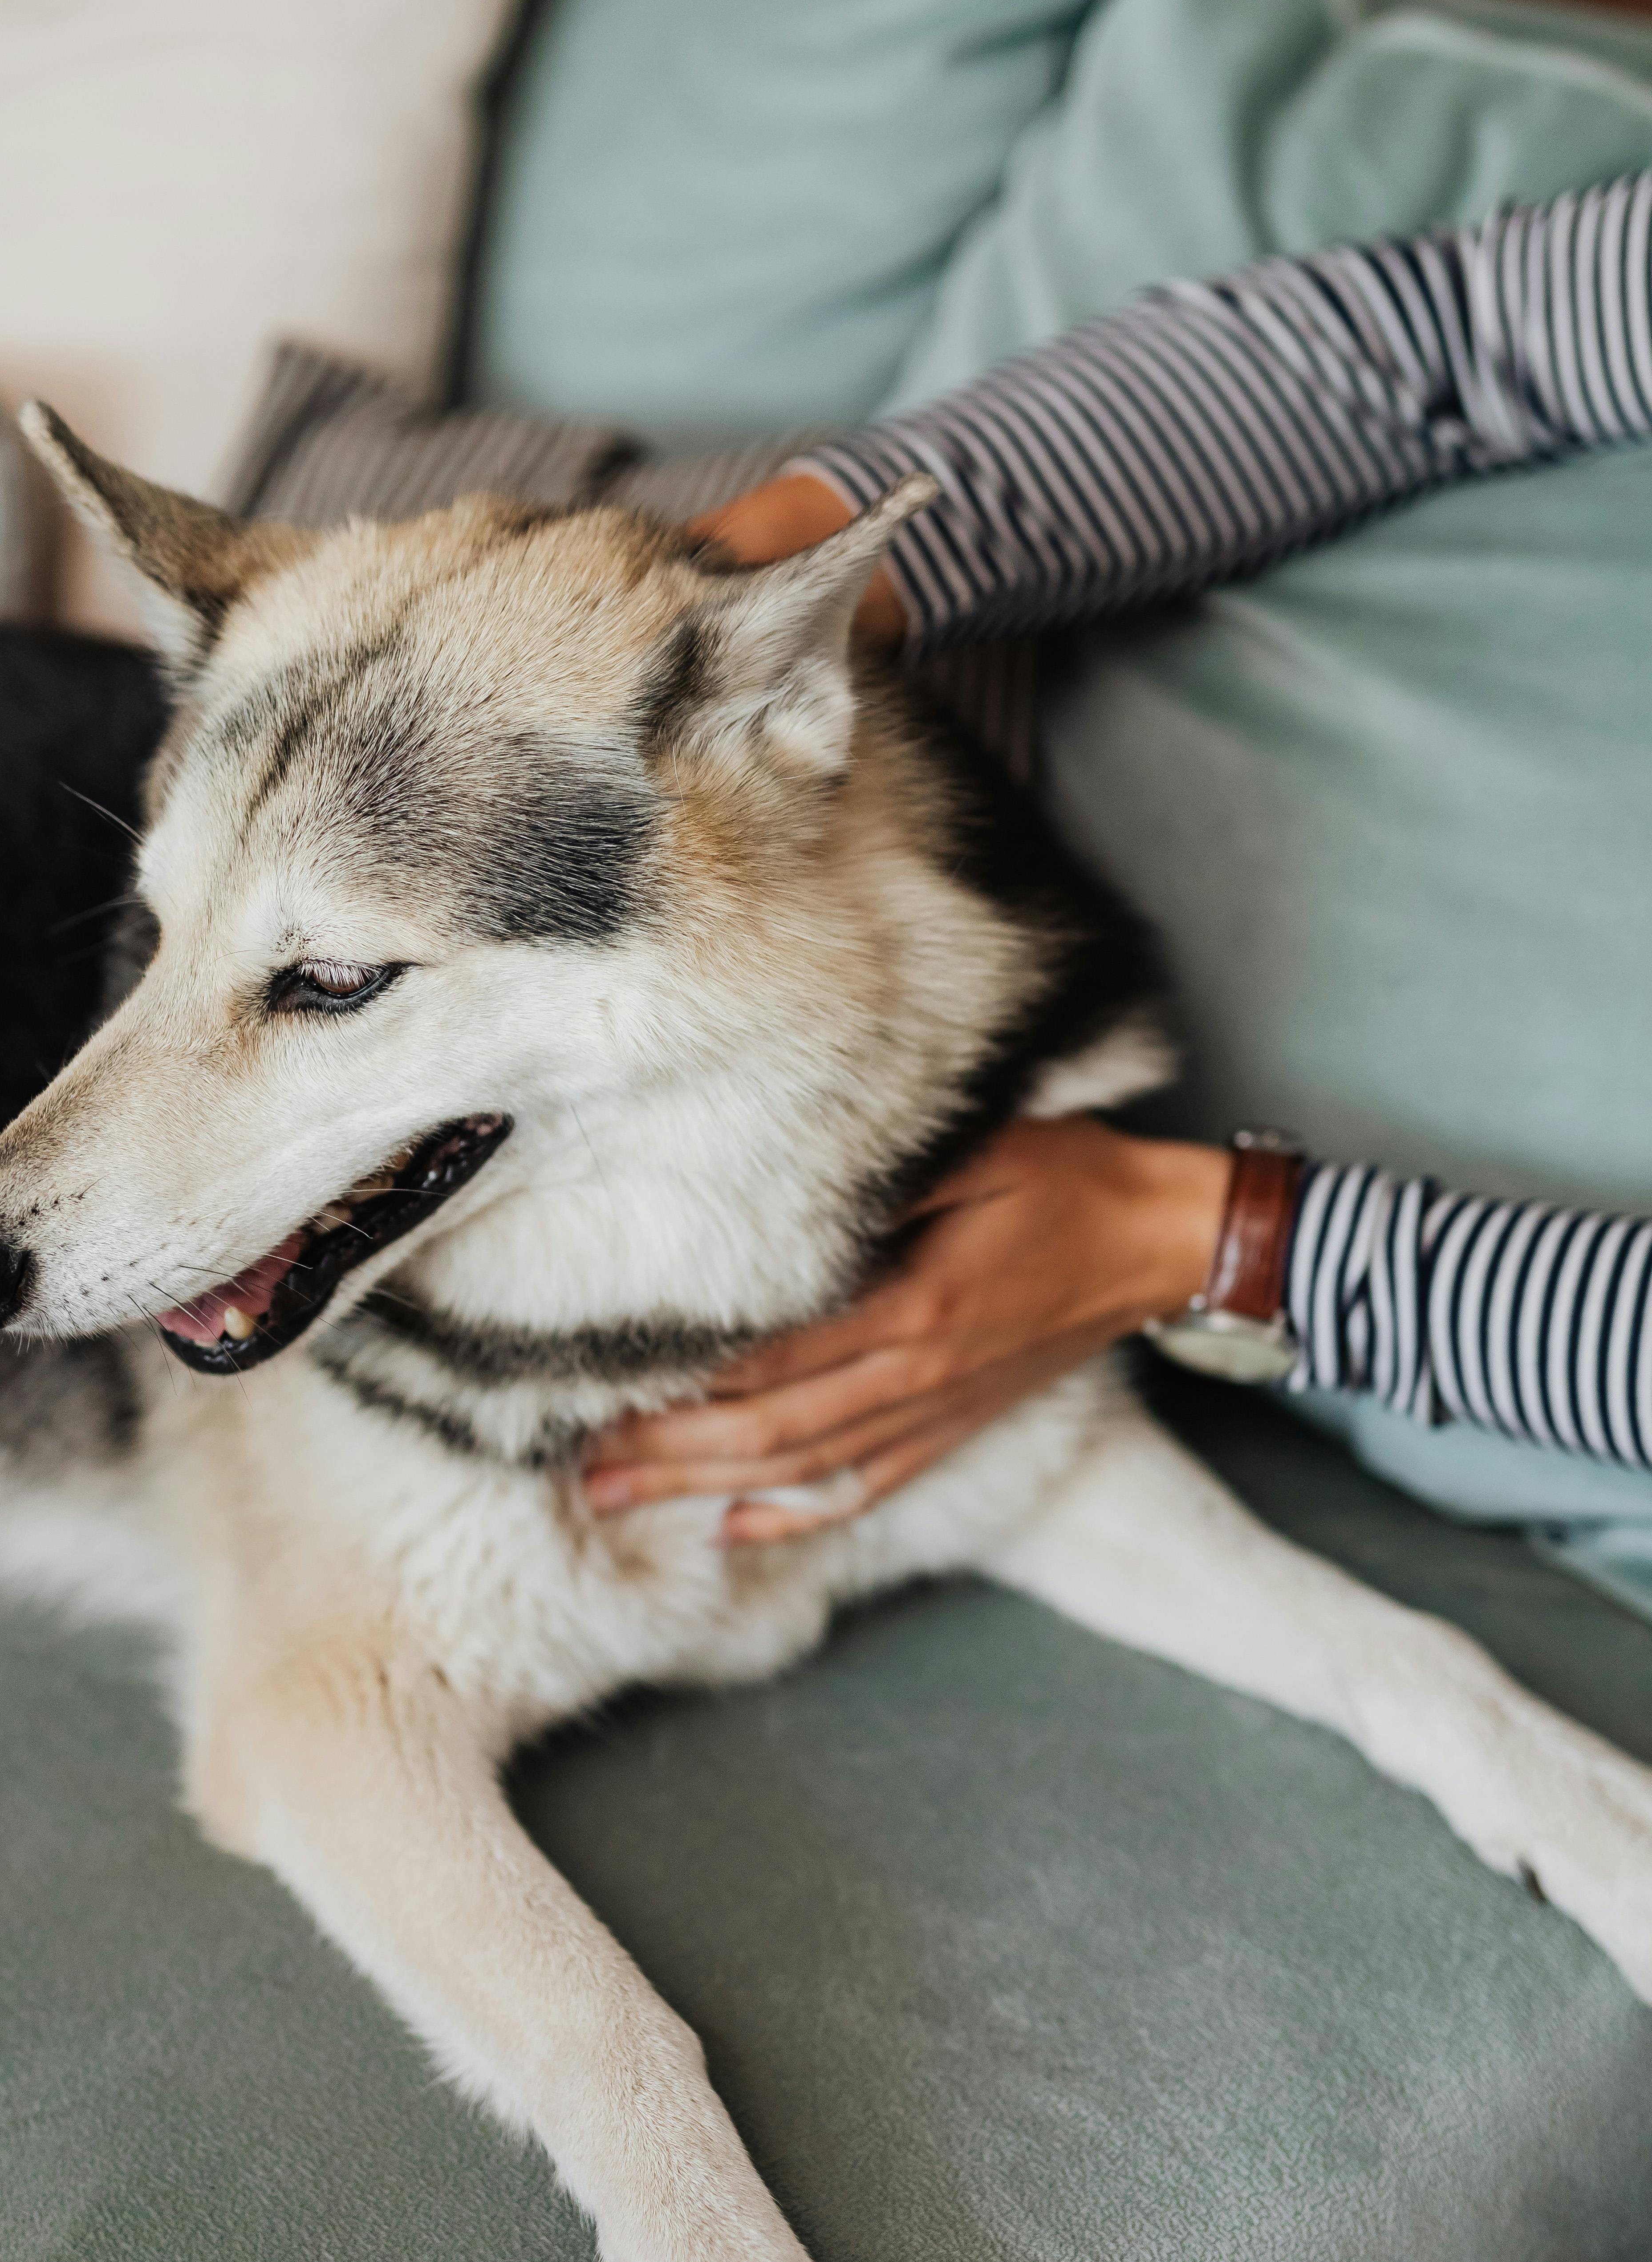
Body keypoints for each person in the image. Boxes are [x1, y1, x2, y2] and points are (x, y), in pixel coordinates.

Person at [580, 173, 1652, 1542]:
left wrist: (1188, 1241)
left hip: (1074, 1149)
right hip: (828, 676)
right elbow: (1459, 337)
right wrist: (712, 601)